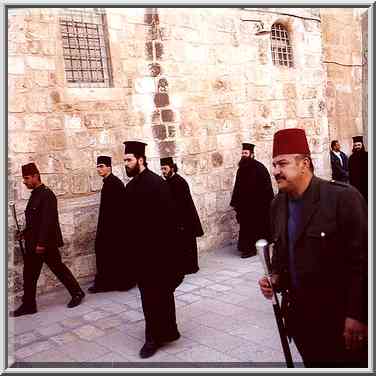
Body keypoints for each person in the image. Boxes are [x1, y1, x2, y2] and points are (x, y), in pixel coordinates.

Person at [258, 128, 368, 367]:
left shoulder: (342, 198)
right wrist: (274, 278)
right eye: (274, 164)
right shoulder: (278, 205)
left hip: (340, 319)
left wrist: (358, 315)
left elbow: (364, 260)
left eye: (282, 164)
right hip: (302, 321)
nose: (275, 171)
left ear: (304, 163)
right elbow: (283, 254)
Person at [123, 141, 184, 359]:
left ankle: (154, 338)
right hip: (141, 255)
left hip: (158, 254)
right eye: (125, 161)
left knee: (158, 296)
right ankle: (164, 332)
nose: (126, 164)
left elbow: (170, 222)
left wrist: (172, 257)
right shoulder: (130, 187)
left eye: (129, 160)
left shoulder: (158, 184)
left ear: (140, 160)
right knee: (151, 297)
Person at [11, 163, 85, 317]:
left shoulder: (47, 195)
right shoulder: (35, 194)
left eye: (26, 178)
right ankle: (29, 305)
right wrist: (23, 233)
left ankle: (77, 293)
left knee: (58, 268)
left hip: (45, 244)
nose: (24, 182)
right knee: (29, 274)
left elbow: (48, 222)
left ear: (36, 176)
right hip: (34, 243)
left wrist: (41, 244)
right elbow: (34, 222)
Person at [88, 156, 136, 293]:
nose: (99, 169)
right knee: (109, 255)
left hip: (114, 229)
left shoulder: (114, 183)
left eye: (102, 166)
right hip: (110, 227)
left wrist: (113, 229)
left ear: (109, 167)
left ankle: (110, 283)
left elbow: (120, 209)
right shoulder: (109, 182)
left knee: (110, 254)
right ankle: (109, 282)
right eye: (98, 166)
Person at [160, 157, 204, 274]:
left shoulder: (179, 182)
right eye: (162, 169)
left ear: (172, 168)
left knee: (187, 244)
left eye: (165, 168)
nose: (163, 171)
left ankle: (190, 267)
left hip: (185, 220)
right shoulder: (168, 182)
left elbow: (183, 204)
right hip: (177, 220)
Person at [230, 143, 274, 258]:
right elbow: (237, 186)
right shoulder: (241, 169)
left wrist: (266, 203)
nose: (244, 155)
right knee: (246, 228)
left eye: (246, 153)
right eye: (242, 153)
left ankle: (255, 249)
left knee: (258, 228)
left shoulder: (260, 168)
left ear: (252, 154)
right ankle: (247, 249)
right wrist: (236, 203)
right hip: (245, 207)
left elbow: (267, 187)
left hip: (257, 206)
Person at [348, 135, 368, 202]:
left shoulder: (367, 156)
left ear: (362, 145)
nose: (357, 147)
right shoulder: (351, 158)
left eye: (359, 145)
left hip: (366, 183)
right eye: (355, 145)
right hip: (355, 184)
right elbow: (350, 173)